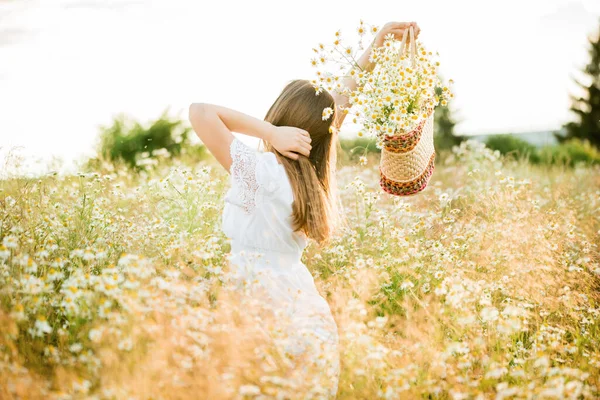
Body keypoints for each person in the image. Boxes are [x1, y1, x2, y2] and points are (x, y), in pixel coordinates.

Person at [188, 21, 420, 398]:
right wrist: (376, 46)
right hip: (305, 312)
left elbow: (200, 112)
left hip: (258, 309)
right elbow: (340, 102)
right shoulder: (313, 180)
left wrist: (268, 133)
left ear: (277, 117)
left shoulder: (258, 172)